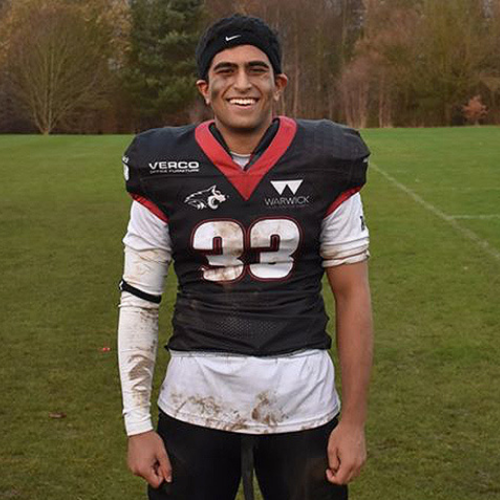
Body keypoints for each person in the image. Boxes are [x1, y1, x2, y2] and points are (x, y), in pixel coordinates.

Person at [118, 14, 373, 500]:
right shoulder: (163, 166)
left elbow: (353, 295)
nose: (242, 83)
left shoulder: (326, 160)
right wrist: (137, 424)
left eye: (257, 70)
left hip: (304, 402)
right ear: (204, 87)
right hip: (195, 401)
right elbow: (138, 299)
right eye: (226, 70)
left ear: (277, 84)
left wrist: (354, 422)